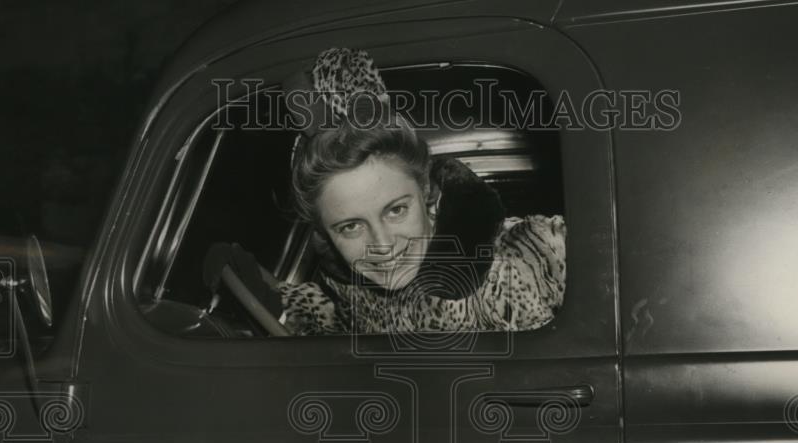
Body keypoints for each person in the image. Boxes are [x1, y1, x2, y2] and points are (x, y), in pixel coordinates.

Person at [241, 47, 566, 336]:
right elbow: (339, 327)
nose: (383, 246)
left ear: (426, 192)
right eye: (350, 227)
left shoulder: (537, 253)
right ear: (326, 236)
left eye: (396, 210)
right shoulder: (357, 291)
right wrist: (263, 288)